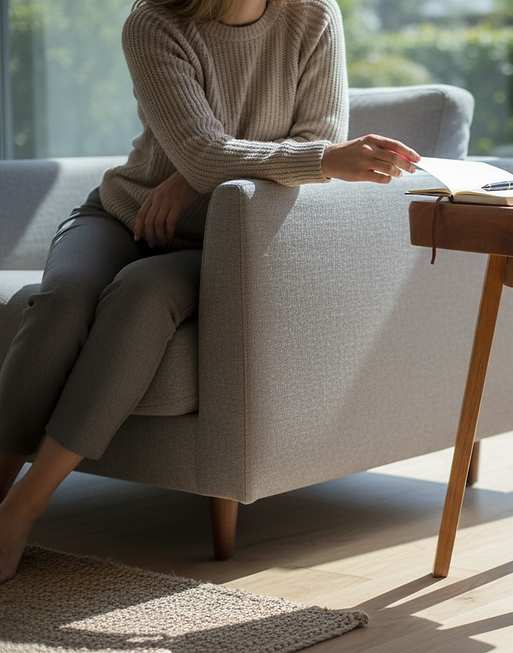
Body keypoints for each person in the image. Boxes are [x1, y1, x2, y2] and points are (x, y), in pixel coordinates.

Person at [0, 0, 420, 584]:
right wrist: (195, 165)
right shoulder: (153, 23)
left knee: (141, 296)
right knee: (63, 298)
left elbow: (313, 134)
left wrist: (194, 174)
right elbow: (239, 149)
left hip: (221, 239)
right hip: (125, 212)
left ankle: (24, 507)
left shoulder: (314, 16)